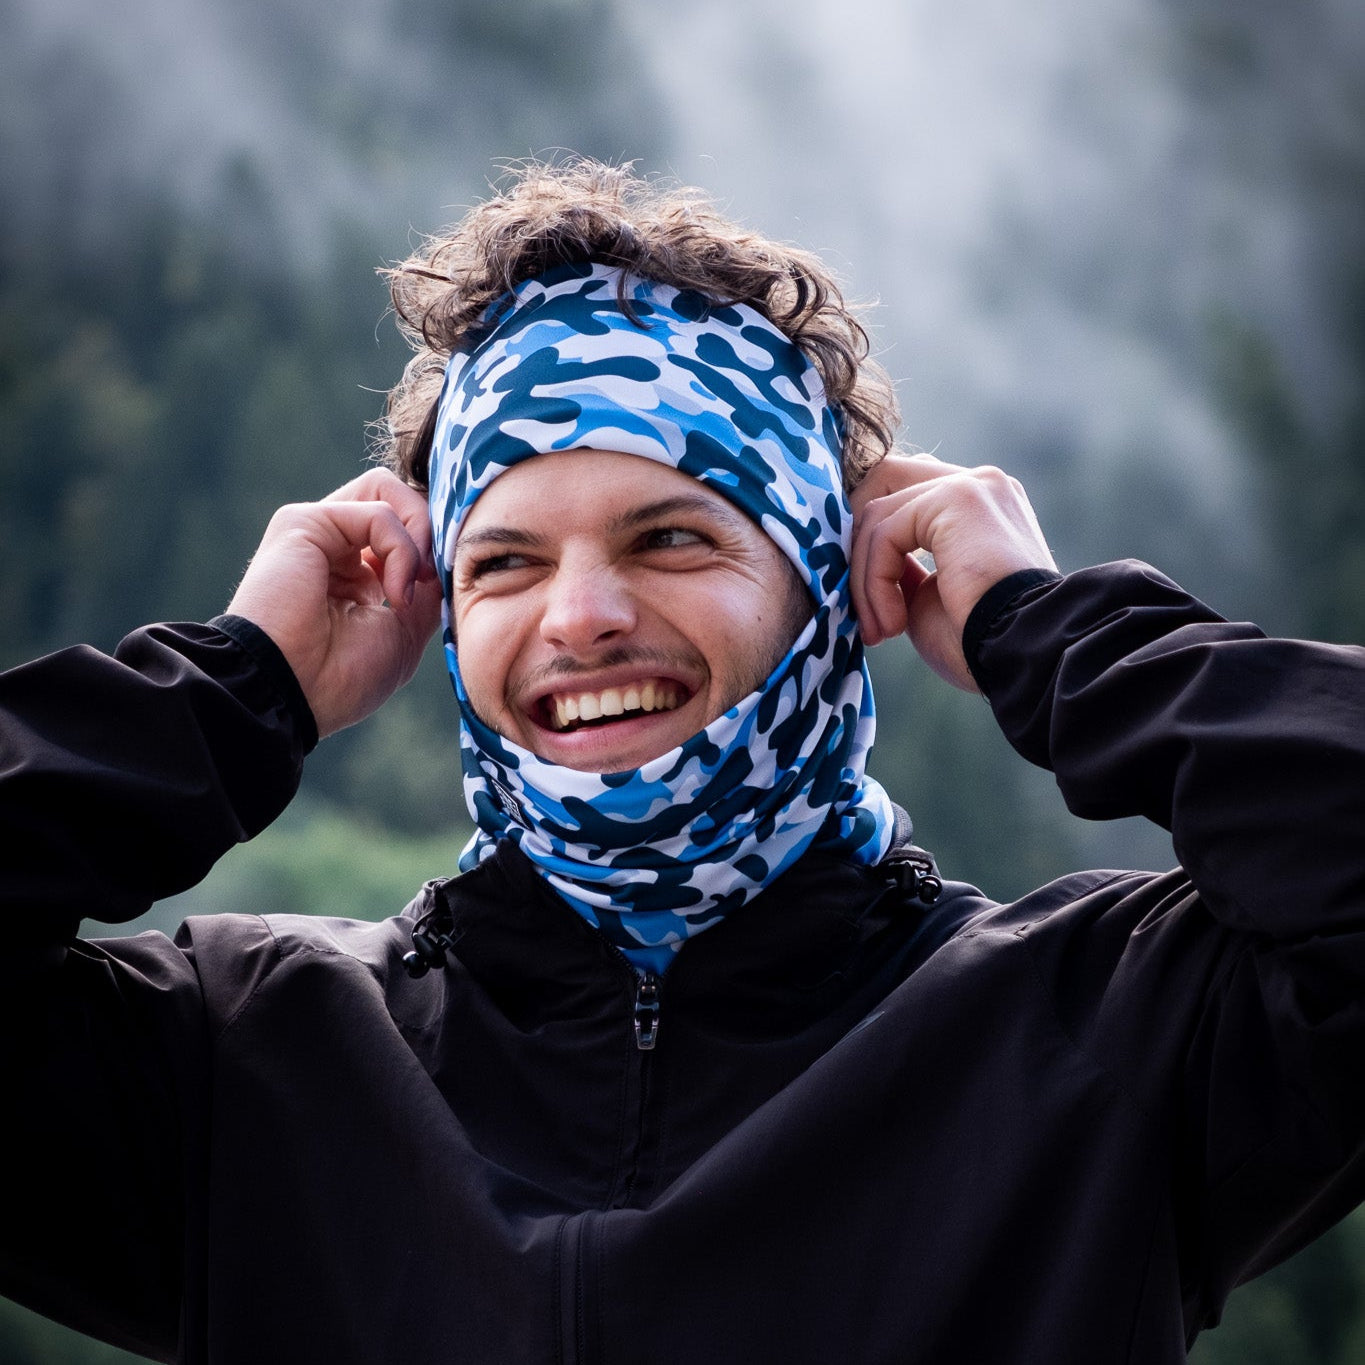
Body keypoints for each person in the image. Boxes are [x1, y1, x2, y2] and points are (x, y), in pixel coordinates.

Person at [2, 159, 1363, 1365]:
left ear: (825, 589)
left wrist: (1047, 630)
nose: (580, 616)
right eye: (504, 562)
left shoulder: (1102, 1037)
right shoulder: (251, 1066)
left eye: (670, 537)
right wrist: (237, 684)